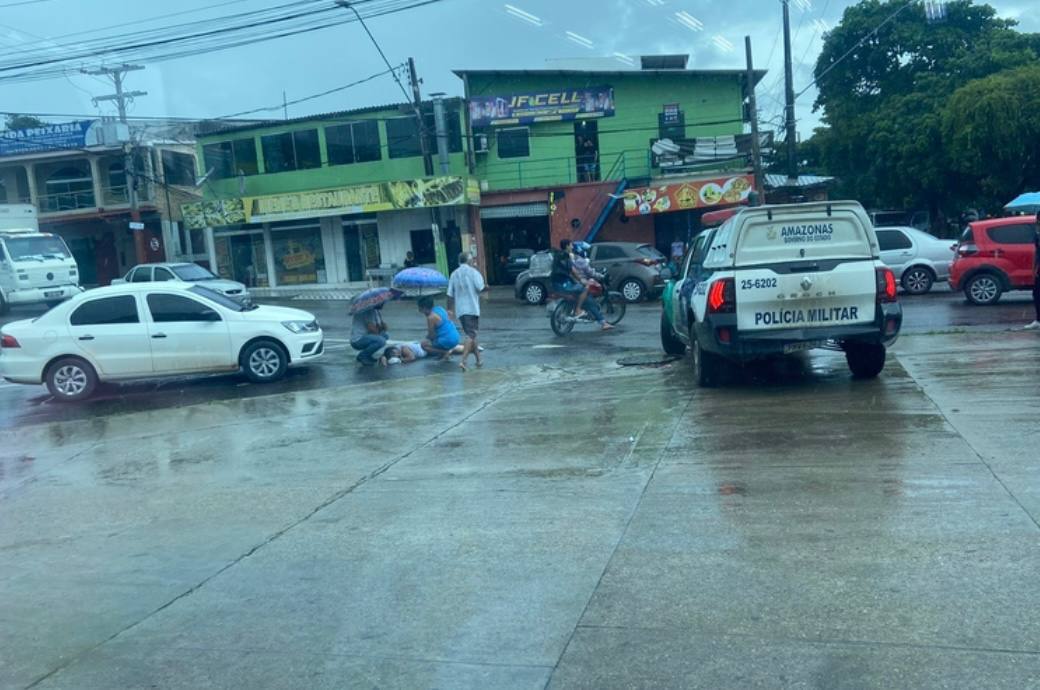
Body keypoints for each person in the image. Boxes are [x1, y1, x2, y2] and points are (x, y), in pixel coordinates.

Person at [551, 239, 612, 331]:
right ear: (567, 246)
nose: (572, 247)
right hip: (564, 284)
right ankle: (580, 311)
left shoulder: (559, 255)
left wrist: (578, 280)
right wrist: (581, 280)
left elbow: (572, 271)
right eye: (571, 245)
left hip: (556, 283)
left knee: (583, 292)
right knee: (587, 294)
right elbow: (574, 271)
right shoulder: (568, 256)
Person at [447, 252, 488, 371]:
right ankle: (463, 361)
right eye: (472, 260)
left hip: (461, 310)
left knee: (472, 335)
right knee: (471, 334)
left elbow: (449, 294)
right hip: (472, 308)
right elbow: (481, 288)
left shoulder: (454, 274)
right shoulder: (474, 272)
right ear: (469, 261)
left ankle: (479, 359)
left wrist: (449, 309)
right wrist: (487, 287)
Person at [1026, 213, 1040, 330]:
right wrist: (1034, 267)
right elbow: (1037, 252)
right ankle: (1038, 320)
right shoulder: (1037, 234)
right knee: (1036, 293)